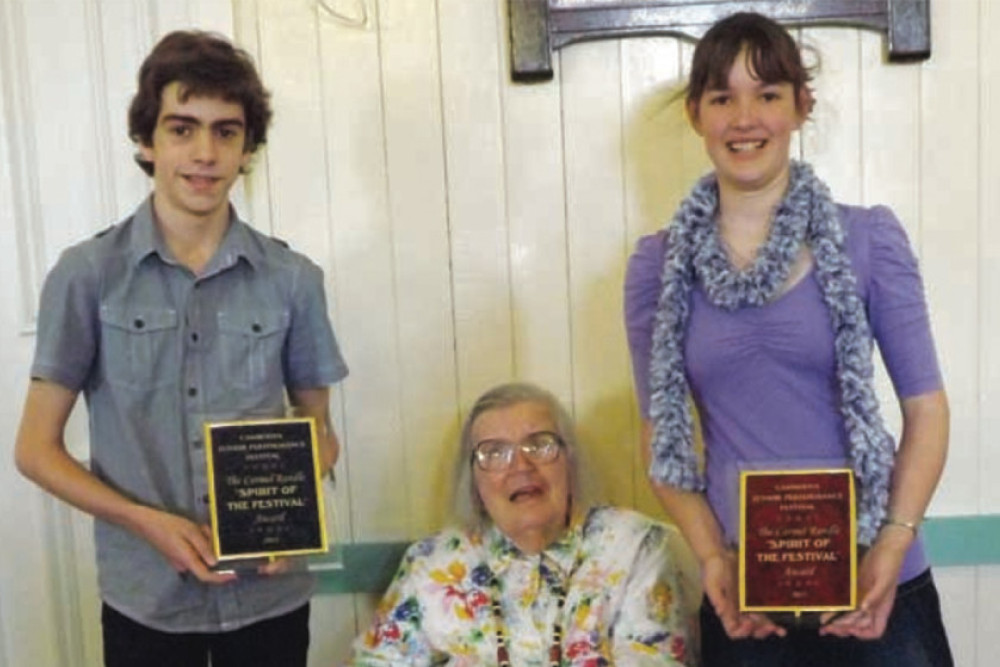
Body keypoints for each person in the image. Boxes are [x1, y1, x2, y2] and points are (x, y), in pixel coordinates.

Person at [624, 12, 953, 666]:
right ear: (697, 115)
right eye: (723, 98)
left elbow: (927, 408)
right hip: (747, 597)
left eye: (768, 95)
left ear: (801, 106)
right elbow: (661, 433)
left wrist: (892, 543)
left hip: (876, 581)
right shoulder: (657, 268)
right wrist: (713, 555)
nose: (745, 118)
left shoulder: (868, 241)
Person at [14, 30, 348, 667]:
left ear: (248, 148)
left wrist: (295, 511)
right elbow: (34, 450)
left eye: (226, 131)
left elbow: (318, 428)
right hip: (148, 603)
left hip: (269, 601)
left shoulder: (294, 279)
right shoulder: (86, 275)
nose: (204, 153)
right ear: (146, 140)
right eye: (181, 128)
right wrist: (147, 523)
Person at [349, 382, 692, 665]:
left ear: (569, 460)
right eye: (494, 453)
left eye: (540, 445)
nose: (521, 466)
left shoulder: (632, 546)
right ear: (473, 479)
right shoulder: (432, 562)